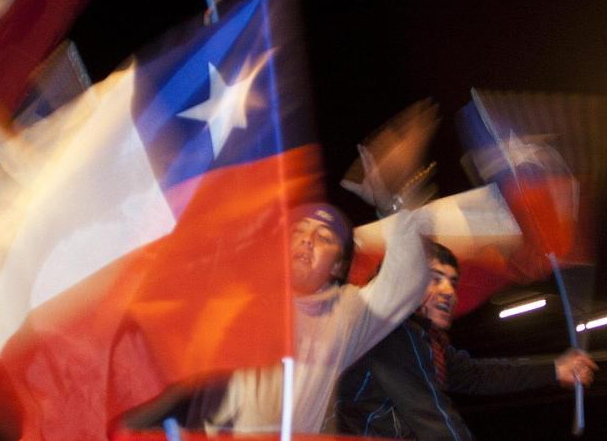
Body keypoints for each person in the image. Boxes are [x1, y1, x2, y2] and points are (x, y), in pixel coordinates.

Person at [143, 100, 442, 434]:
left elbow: (409, 279)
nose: (307, 240)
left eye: (324, 236)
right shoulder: (240, 295)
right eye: (297, 232)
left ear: (337, 267)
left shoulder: (344, 315)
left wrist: (398, 197)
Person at [334, 242, 598, 439]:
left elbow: (477, 375)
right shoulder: (391, 332)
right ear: (405, 283)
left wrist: (553, 369)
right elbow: (433, 417)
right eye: (434, 279)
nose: (449, 291)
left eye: (452, 282)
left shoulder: (425, 341)